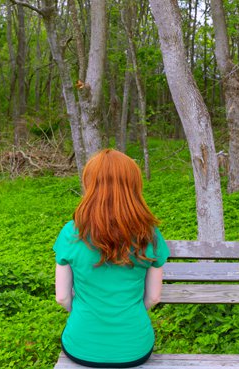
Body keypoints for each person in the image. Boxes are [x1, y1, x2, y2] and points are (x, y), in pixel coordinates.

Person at [52, 149, 169, 368]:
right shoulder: (149, 235)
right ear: (134, 187)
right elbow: (153, 298)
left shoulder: (71, 233)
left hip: (81, 345)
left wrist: (85, 315)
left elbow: (62, 298)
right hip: (135, 346)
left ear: (90, 184)